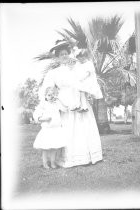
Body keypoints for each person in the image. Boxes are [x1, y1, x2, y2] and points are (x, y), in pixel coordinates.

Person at [39, 39, 103, 168]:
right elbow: (46, 89)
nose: (64, 56)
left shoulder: (78, 67)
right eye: (61, 54)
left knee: (84, 128)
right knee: (69, 130)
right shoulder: (54, 73)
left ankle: (88, 156)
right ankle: (69, 159)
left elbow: (89, 75)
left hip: (80, 102)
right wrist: (52, 101)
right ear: (57, 57)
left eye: (65, 53)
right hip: (65, 104)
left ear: (69, 53)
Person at [33, 86, 68, 169]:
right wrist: (43, 119)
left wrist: (59, 99)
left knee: (54, 148)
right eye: (49, 95)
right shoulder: (43, 104)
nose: (51, 97)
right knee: (46, 148)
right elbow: (36, 115)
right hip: (47, 130)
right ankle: (45, 163)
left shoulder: (56, 104)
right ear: (45, 96)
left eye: (53, 95)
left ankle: (53, 162)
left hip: (56, 129)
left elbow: (65, 109)